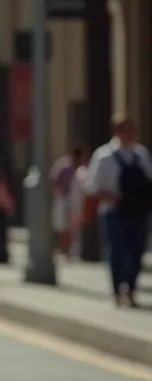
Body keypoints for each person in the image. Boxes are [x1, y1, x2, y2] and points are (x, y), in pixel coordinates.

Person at [84, 113, 152, 308]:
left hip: (138, 211)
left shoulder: (141, 155)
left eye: (133, 130)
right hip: (113, 212)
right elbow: (91, 187)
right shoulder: (103, 155)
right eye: (126, 130)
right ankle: (117, 289)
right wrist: (109, 196)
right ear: (117, 131)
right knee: (117, 252)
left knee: (137, 252)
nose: (130, 134)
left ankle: (131, 289)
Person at [49, 146, 86, 257]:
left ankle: (70, 250)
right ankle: (62, 249)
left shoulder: (81, 168)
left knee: (73, 226)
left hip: (75, 199)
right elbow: (53, 179)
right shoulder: (63, 165)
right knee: (62, 226)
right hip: (63, 198)